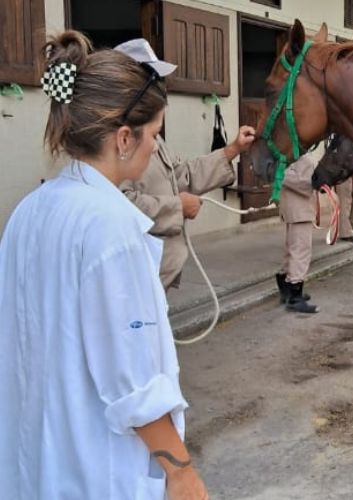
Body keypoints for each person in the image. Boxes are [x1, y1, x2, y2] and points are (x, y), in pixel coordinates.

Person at [0, 33, 207, 499]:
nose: (157, 147)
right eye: (154, 134)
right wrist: (181, 472)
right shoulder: (113, 227)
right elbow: (132, 382)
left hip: (35, 467)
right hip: (96, 472)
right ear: (124, 137)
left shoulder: (29, 211)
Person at [116, 40, 256, 291]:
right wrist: (176, 207)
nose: (159, 88)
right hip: (134, 278)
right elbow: (118, 206)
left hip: (157, 275)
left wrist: (232, 149)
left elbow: (180, 176)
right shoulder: (111, 143)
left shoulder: (152, 137)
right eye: (151, 78)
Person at [275, 150, 320, 313]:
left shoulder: (288, 156)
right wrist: (319, 181)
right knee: (300, 251)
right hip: (299, 211)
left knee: (291, 250)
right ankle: (295, 296)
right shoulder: (300, 157)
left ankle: (287, 290)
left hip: (293, 209)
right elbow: (304, 184)